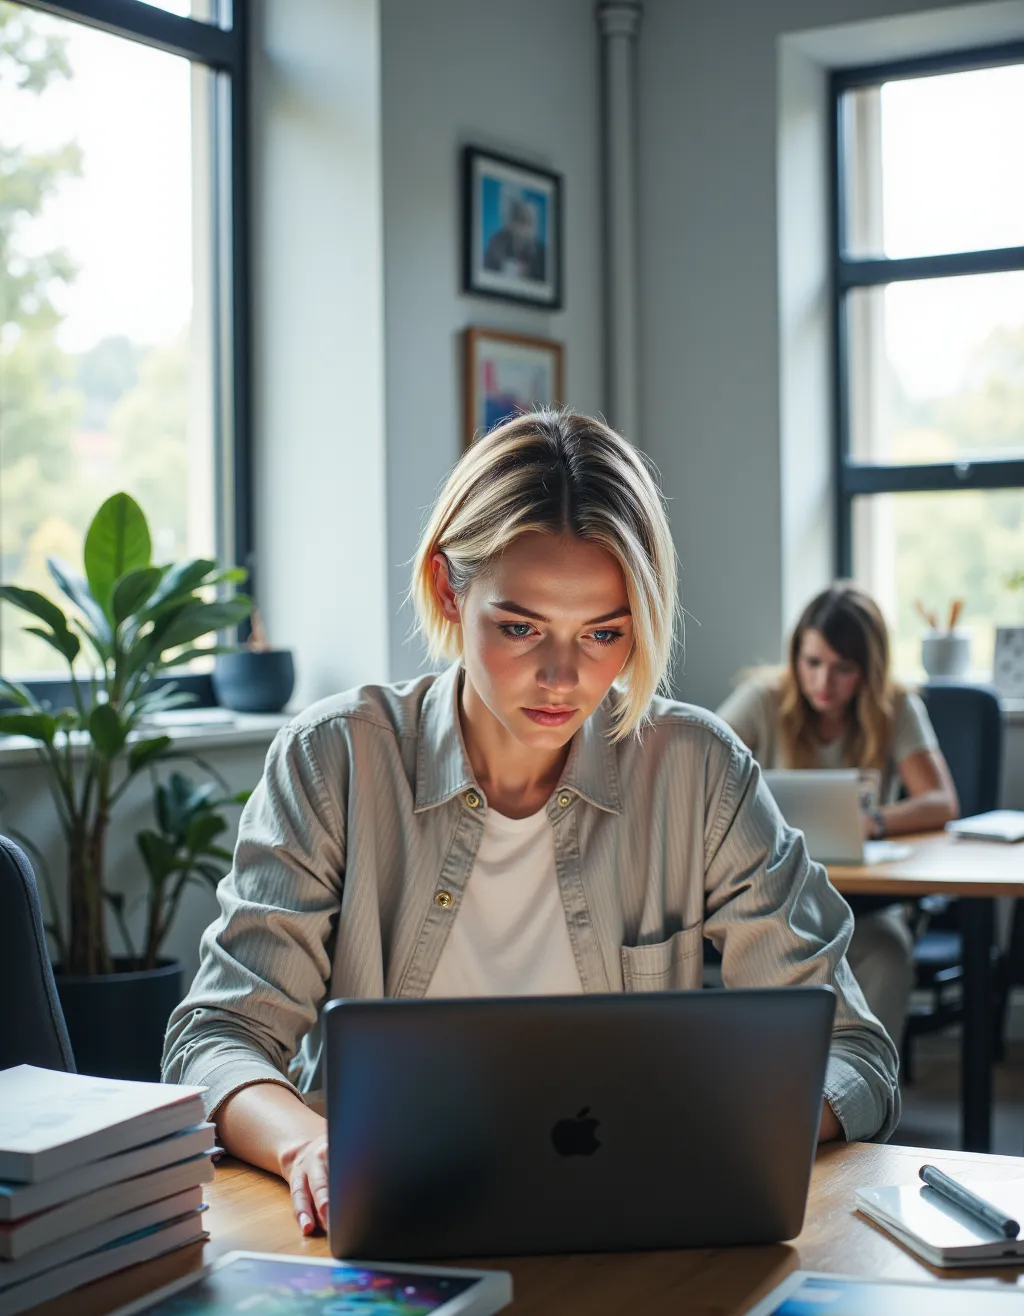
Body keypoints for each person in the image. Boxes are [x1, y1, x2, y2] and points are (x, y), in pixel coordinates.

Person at [163, 412, 898, 1237]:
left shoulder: (697, 770)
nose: (562, 677)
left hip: (630, 1235)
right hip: (377, 1227)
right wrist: (307, 1147)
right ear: (450, 589)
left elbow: (855, 1056)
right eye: (520, 627)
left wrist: (707, 1142)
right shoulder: (333, 760)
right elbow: (219, 1035)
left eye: (604, 633)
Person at [717, 583, 959, 1048]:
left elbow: (941, 802)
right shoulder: (763, 698)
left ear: (868, 671)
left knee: (888, 952)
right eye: (813, 663)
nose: (823, 683)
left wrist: (874, 823)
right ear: (796, 656)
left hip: (866, 905)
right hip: (775, 899)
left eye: (843, 669)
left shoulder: (896, 706)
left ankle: (861, 1098)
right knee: (768, 953)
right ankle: (783, 1093)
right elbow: (701, 772)